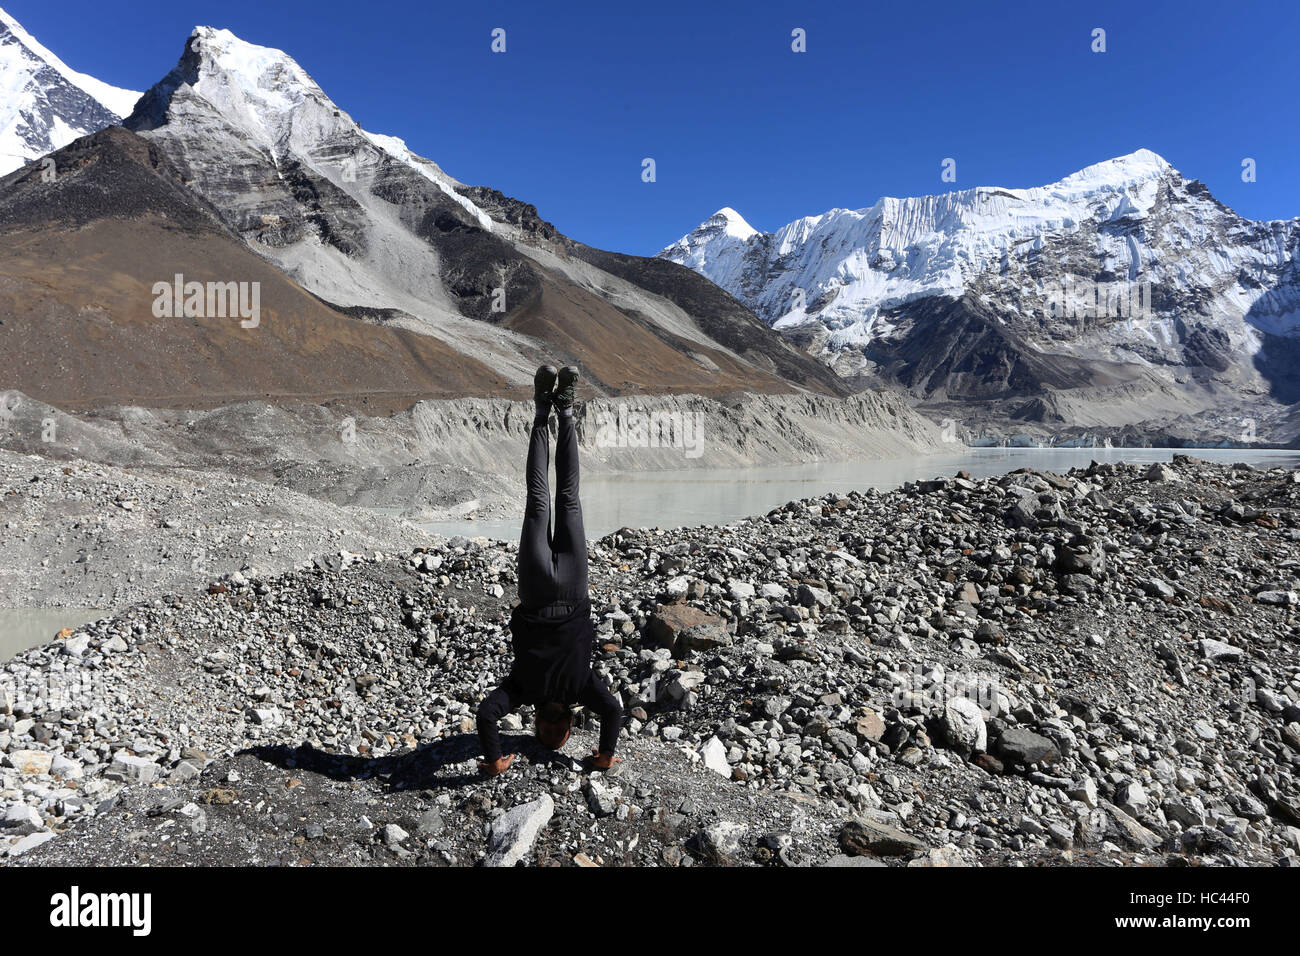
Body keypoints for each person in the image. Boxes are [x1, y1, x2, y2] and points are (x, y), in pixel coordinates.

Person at [476, 365, 623, 776]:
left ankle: (564, 411)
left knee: (567, 498)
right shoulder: (523, 689)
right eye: (556, 726)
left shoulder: (582, 689)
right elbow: (487, 714)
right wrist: (493, 759)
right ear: (538, 720)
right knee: (541, 500)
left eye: (552, 726)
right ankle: (546, 410)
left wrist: (606, 754)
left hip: (571, 586)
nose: (556, 721)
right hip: (538, 586)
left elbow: (612, 711)